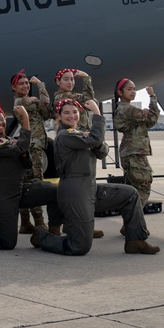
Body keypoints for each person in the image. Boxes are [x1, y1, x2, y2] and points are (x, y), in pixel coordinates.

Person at [30, 99, 159, 255]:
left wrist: (93, 140)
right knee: (78, 246)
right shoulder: (65, 136)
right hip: (75, 192)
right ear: (59, 116)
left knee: (130, 194)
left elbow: (102, 151)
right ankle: (42, 236)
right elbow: (96, 140)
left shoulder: (79, 135)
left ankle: (136, 241)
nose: (72, 116)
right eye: (66, 113)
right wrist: (97, 114)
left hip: (89, 187)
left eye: (75, 112)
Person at [0, 104, 61, 250]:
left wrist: (23, 153)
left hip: (20, 189)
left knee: (55, 192)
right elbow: (21, 147)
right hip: (2, 195)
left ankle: (53, 231)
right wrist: (25, 118)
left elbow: (27, 164)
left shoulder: (10, 140)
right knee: (7, 243)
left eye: (1, 119)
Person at [51, 68, 105, 238]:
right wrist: (87, 81)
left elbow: (88, 100)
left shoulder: (74, 98)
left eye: (72, 79)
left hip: (85, 137)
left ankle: (80, 222)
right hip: (75, 140)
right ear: (58, 82)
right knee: (78, 187)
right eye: (66, 79)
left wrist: (87, 80)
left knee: (87, 183)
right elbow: (90, 100)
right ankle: (74, 223)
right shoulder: (62, 98)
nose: (70, 82)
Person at [11, 70, 53, 233]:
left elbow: (46, 112)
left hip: (35, 145)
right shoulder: (20, 102)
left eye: (27, 83)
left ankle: (25, 222)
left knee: (27, 183)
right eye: (21, 84)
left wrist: (39, 95)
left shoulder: (29, 101)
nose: (25, 86)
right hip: (32, 147)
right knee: (35, 184)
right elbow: (44, 103)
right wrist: (41, 86)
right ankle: (39, 222)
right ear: (14, 87)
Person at [113, 79, 158, 208]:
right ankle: (134, 223)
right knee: (142, 185)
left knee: (133, 188)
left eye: (134, 89)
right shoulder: (128, 109)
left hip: (132, 152)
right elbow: (152, 118)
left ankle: (130, 223)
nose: (133, 92)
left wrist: (146, 113)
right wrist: (152, 97)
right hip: (135, 152)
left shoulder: (125, 109)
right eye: (129, 89)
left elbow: (148, 122)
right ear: (120, 92)